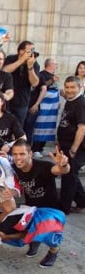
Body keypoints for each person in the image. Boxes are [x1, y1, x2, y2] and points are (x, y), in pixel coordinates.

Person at [5, 139, 69, 267]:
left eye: (22, 154)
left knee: (47, 231)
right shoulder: (14, 168)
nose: (18, 158)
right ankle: (35, 239)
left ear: (30, 154)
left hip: (51, 211)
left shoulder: (43, 166)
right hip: (31, 209)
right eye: (15, 154)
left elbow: (60, 170)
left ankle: (53, 251)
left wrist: (63, 165)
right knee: (5, 230)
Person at [57, 76, 85, 214]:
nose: (69, 90)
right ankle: (82, 201)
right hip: (65, 144)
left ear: (80, 87)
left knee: (68, 176)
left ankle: (63, 208)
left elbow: (82, 128)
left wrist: (74, 148)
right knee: (71, 174)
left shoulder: (81, 103)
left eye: (73, 87)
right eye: (67, 87)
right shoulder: (70, 101)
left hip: (75, 146)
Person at [25, 58, 59, 156]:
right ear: (50, 64)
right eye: (55, 64)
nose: (57, 66)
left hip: (52, 110)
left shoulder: (53, 76)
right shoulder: (42, 74)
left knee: (48, 129)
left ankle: (40, 148)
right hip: (42, 107)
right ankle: (34, 149)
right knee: (36, 127)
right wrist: (52, 80)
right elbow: (41, 87)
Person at [3, 40, 40, 125]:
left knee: (18, 127)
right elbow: (4, 71)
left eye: (33, 50)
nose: (32, 53)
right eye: (30, 50)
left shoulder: (34, 64)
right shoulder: (11, 59)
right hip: (6, 100)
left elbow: (35, 83)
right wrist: (21, 61)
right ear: (21, 51)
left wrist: (30, 67)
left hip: (22, 102)